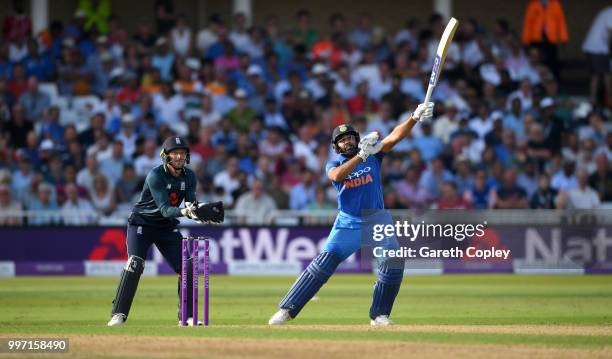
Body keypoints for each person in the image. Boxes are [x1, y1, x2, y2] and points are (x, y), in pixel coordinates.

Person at [268, 100, 434, 326]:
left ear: (357, 139)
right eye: (342, 140)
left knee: (393, 261)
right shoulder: (333, 163)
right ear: (337, 146)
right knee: (322, 265)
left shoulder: (374, 155)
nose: (347, 141)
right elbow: (337, 176)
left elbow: (395, 136)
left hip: (376, 220)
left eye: (350, 138)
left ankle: (379, 315)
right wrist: (360, 157)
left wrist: (414, 117)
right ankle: (286, 311)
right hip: (349, 222)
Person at [107, 136, 224, 327]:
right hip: (142, 224)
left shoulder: (189, 176)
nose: (179, 157)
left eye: (182, 153)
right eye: (174, 153)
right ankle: (118, 315)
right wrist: (186, 211)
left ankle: (186, 317)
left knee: (188, 265)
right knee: (135, 263)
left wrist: (201, 211)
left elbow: (189, 205)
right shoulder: (155, 175)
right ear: (165, 156)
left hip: (165, 226)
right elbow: (164, 209)